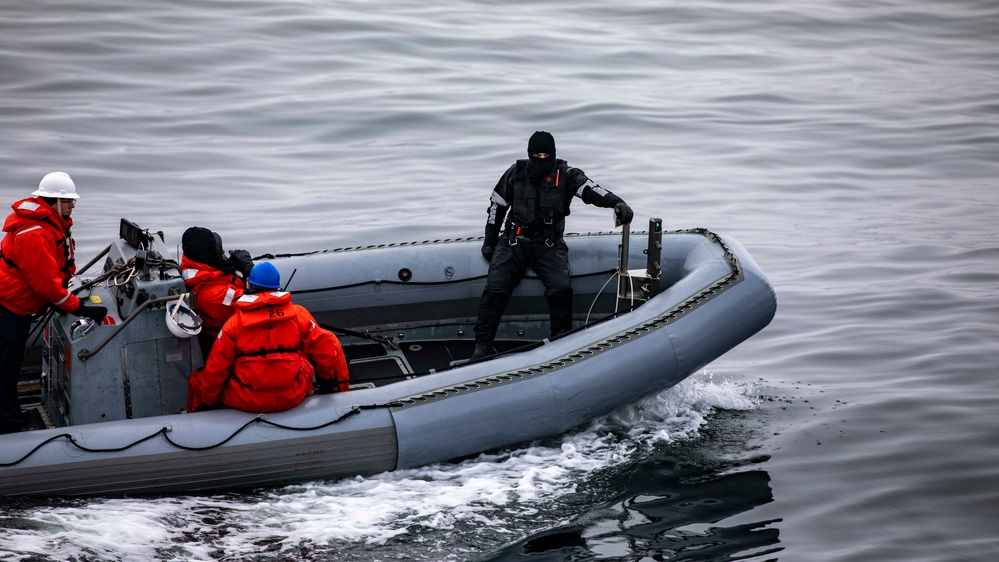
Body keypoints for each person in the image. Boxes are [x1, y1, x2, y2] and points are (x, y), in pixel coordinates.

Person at [471, 131, 634, 361]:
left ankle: (561, 344)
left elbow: (591, 191)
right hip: (513, 242)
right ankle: (482, 347)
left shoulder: (566, 175)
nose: (541, 158)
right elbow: (496, 207)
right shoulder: (515, 173)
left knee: (560, 289)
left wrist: (616, 202)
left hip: (548, 244)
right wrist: (489, 242)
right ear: (529, 154)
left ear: (553, 154)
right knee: (495, 290)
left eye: (546, 154)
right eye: (536, 154)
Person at [0, 172, 107, 434]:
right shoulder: (36, 234)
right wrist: (79, 308)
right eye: (69, 201)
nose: (72, 206)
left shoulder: (46, 225)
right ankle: (7, 422)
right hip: (11, 306)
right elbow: (45, 283)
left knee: (8, 362)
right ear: (54, 201)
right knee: (6, 365)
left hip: (17, 303)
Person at [187, 262, 350, 413]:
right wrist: (326, 379)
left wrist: (209, 402)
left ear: (249, 285)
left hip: (248, 399)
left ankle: (201, 422)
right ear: (277, 288)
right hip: (292, 394)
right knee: (304, 359)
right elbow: (326, 349)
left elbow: (217, 367)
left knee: (197, 379)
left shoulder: (234, 324)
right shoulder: (297, 315)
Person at [180, 226, 255, 353]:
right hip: (233, 348)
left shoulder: (195, 267)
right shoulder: (213, 295)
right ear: (211, 255)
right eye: (221, 252)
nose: (223, 255)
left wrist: (234, 267)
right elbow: (257, 303)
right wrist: (250, 272)